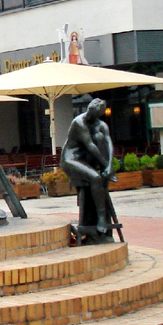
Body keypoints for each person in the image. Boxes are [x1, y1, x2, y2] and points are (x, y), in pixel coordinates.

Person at [60, 98, 116, 245]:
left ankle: (100, 227)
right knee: (96, 178)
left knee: (100, 138)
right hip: (71, 160)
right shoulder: (79, 122)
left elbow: (109, 144)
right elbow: (90, 146)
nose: (91, 115)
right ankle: (101, 217)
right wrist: (106, 166)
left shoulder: (101, 125)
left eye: (95, 113)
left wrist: (110, 166)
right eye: (90, 111)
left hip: (85, 161)